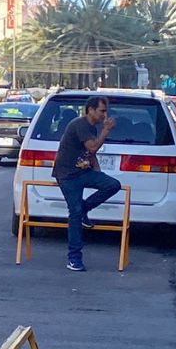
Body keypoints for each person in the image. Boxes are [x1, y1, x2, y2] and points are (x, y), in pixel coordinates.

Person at [52, 96, 122, 272]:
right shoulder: (80, 124)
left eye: (105, 111)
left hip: (83, 171)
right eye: (102, 111)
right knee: (74, 212)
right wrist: (106, 131)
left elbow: (89, 154)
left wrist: (98, 173)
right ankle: (74, 258)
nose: (105, 115)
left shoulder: (91, 127)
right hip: (67, 175)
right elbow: (92, 147)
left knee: (112, 185)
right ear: (91, 110)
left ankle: (85, 209)